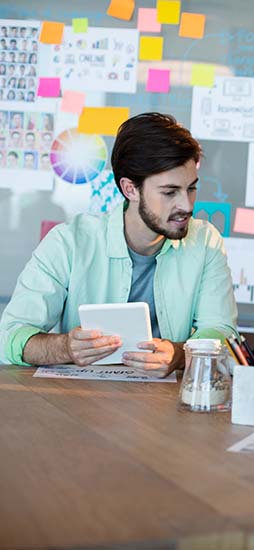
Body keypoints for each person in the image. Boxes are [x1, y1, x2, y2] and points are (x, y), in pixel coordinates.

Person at [0, 113, 238, 376]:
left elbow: (221, 331)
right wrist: (65, 347)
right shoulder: (68, 242)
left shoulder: (206, 242)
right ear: (130, 189)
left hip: (166, 407)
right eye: (170, 192)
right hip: (79, 405)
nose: (187, 205)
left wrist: (180, 354)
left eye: (191, 188)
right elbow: (10, 338)